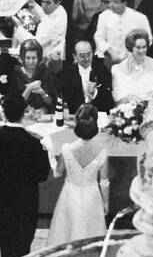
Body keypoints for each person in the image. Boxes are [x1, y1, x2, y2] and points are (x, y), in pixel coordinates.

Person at [0, 94, 51, 257]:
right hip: (26, 205)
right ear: (24, 113)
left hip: (2, 203)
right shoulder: (34, 143)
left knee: (5, 246)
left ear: (3, 113)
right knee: (23, 247)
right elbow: (42, 176)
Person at [45, 105, 108, 247]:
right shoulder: (102, 152)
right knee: (90, 232)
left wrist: (50, 154)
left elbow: (57, 173)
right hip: (92, 196)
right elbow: (104, 182)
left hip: (70, 195)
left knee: (67, 232)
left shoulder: (66, 149)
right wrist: (105, 203)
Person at [94, 0, 151, 65]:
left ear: (124, 3)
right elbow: (98, 37)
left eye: (116, 2)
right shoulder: (103, 16)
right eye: (111, 2)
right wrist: (111, 52)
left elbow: (148, 39)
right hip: (107, 59)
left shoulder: (140, 18)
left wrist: (133, 53)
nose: (111, 5)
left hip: (132, 61)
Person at [111, 29, 153, 103]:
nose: (141, 51)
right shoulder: (117, 69)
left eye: (144, 47)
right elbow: (118, 96)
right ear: (131, 48)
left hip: (152, 109)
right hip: (128, 110)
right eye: (138, 47)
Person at [59, 39, 114, 113]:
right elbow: (67, 100)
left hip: (97, 114)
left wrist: (95, 93)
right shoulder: (67, 74)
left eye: (89, 54)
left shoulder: (102, 70)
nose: (87, 58)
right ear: (75, 56)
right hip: (75, 114)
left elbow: (109, 100)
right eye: (82, 55)